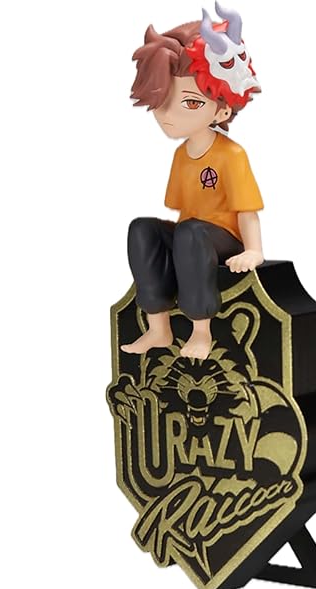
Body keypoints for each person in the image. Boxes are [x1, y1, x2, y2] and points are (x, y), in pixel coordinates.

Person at [121, 2, 264, 360]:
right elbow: (182, 210)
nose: (167, 114)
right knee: (143, 228)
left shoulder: (231, 155)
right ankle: (158, 327)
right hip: (191, 237)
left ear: (222, 109)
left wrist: (254, 251)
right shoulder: (181, 156)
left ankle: (201, 331)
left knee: (190, 233)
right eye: (163, 100)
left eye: (188, 102)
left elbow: (246, 211)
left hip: (222, 238)